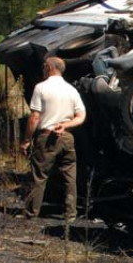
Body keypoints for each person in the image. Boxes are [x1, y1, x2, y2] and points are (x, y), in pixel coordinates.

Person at [20, 57, 86, 222]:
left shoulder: (41, 88)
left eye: (44, 66)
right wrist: (66, 125)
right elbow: (81, 116)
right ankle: (70, 213)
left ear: (49, 67)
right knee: (69, 176)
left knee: (39, 175)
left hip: (47, 135)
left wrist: (27, 139)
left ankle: (31, 212)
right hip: (67, 136)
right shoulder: (71, 90)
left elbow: (35, 116)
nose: (43, 68)